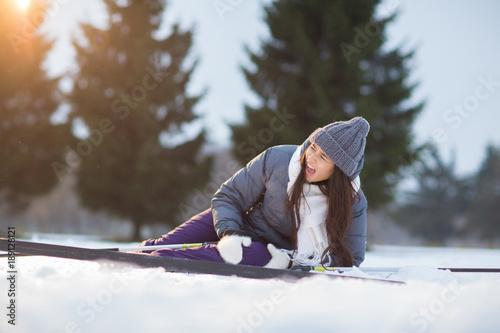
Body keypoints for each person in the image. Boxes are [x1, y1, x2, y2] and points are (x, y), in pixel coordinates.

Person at [139, 116, 370, 269]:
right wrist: (231, 232)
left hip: (272, 252)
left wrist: (290, 263)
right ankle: (145, 253)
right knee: (161, 244)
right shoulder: (279, 160)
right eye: (313, 148)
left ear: (339, 171)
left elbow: (352, 258)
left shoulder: (353, 202)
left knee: (238, 255)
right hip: (238, 225)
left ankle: (159, 262)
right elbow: (229, 196)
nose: (310, 158)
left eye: (323, 158)